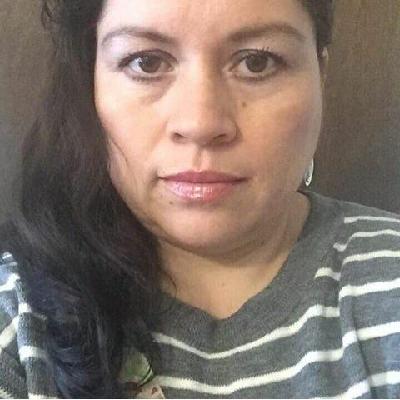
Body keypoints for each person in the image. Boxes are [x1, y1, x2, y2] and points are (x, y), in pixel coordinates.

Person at [1, 0, 400, 398]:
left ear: (320, 77)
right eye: (146, 63)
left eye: (257, 62)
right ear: (90, 84)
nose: (201, 123)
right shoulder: (17, 314)